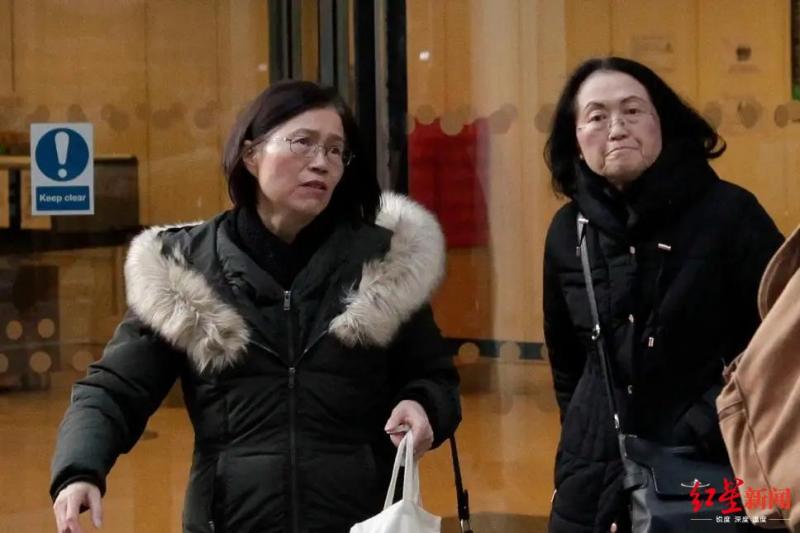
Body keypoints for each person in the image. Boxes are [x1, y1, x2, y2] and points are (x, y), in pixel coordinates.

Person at [50, 80, 461, 533]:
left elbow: (435, 377)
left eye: (335, 150)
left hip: (359, 520)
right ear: (250, 154)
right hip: (229, 520)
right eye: (303, 142)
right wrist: (79, 469)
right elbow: (114, 389)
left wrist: (423, 406)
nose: (321, 162)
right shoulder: (186, 270)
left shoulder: (383, 264)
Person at [542, 57, 783, 532]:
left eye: (633, 111)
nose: (617, 128)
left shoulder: (730, 214)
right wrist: (582, 437)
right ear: (576, 139)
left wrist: (705, 422)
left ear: (663, 123)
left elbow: (778, 344)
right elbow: (568, 360)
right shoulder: (569, 231)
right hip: (592, 476)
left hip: (709, 464)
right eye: (596, 116)